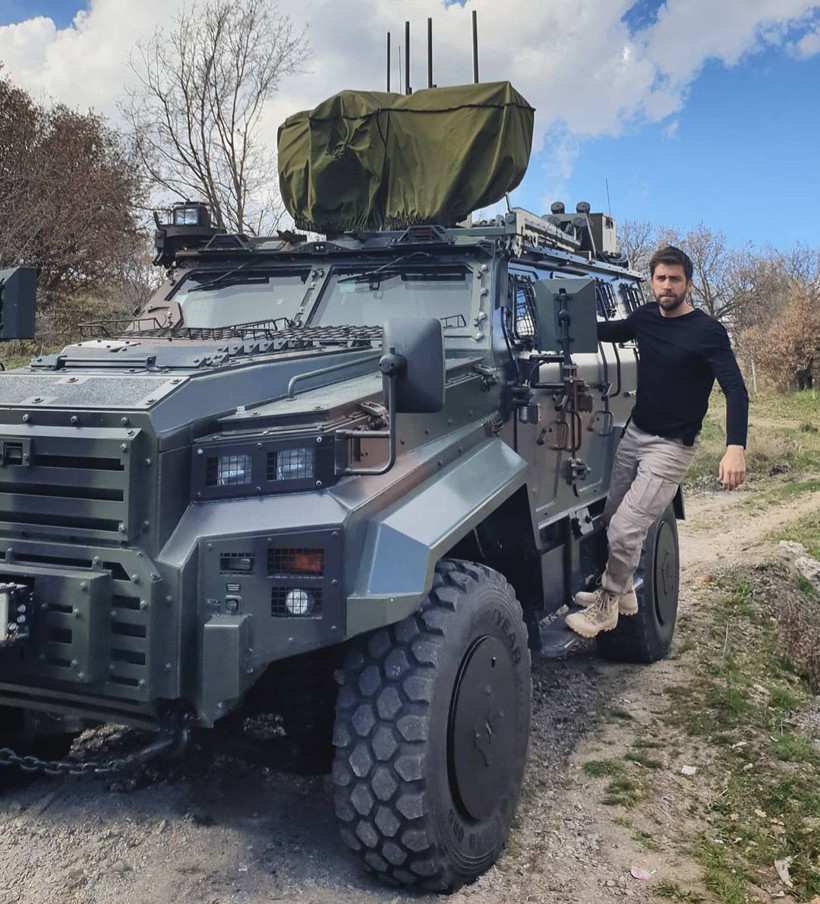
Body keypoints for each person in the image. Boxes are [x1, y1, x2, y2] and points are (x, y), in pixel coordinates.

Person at [565, 245, 749, 639]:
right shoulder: (646, 317)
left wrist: (735, 446)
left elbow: (735, 389)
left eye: (675, 279)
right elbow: (611, 332)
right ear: (651, 281)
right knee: (613, 517)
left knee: (625, 528)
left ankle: (607, 605)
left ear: (688, 283)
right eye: (661, 278)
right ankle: (626, 592)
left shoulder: (707, 332)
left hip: (671, 447)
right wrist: (565, 320)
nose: (667, 286)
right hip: (636, 434)